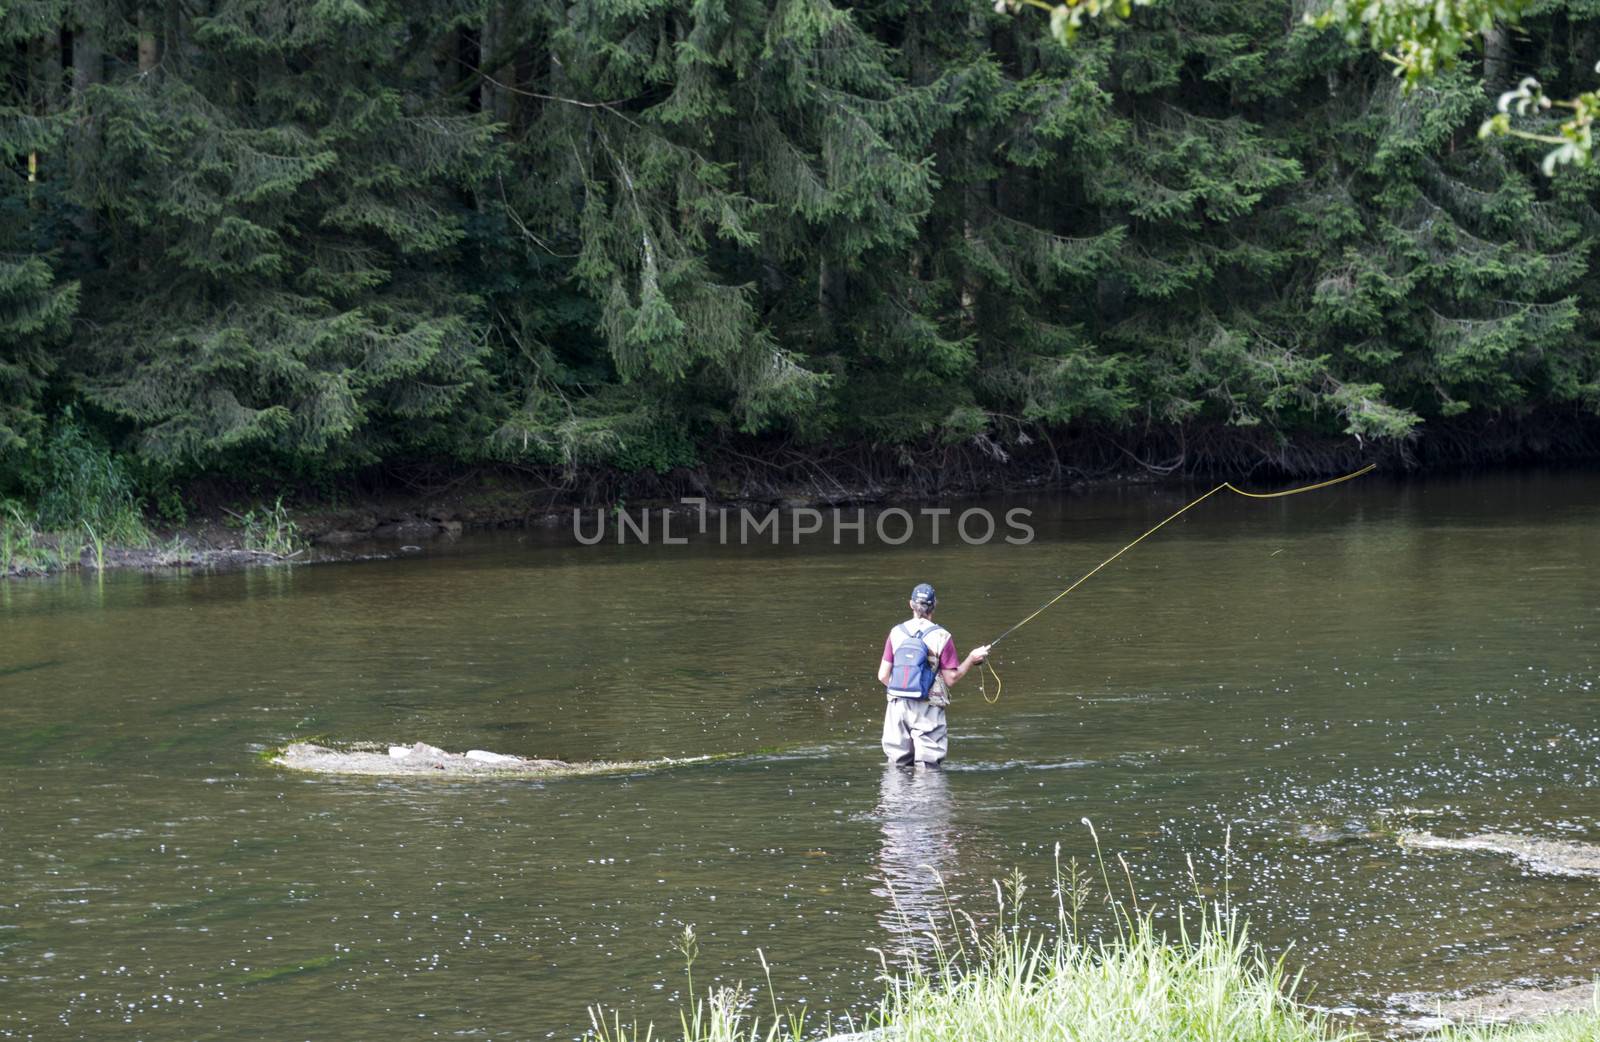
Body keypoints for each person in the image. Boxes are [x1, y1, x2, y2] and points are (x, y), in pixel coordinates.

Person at [876, 583, 989, 766]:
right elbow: (951, 678)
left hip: (897, 705)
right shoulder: (942, 636)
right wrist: (971, 658)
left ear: (911, 605)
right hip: (928, 706)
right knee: (928, 768)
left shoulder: (896, 633)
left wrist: (904, 689)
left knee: (897, 766)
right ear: (934, 605)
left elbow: (882, 675)